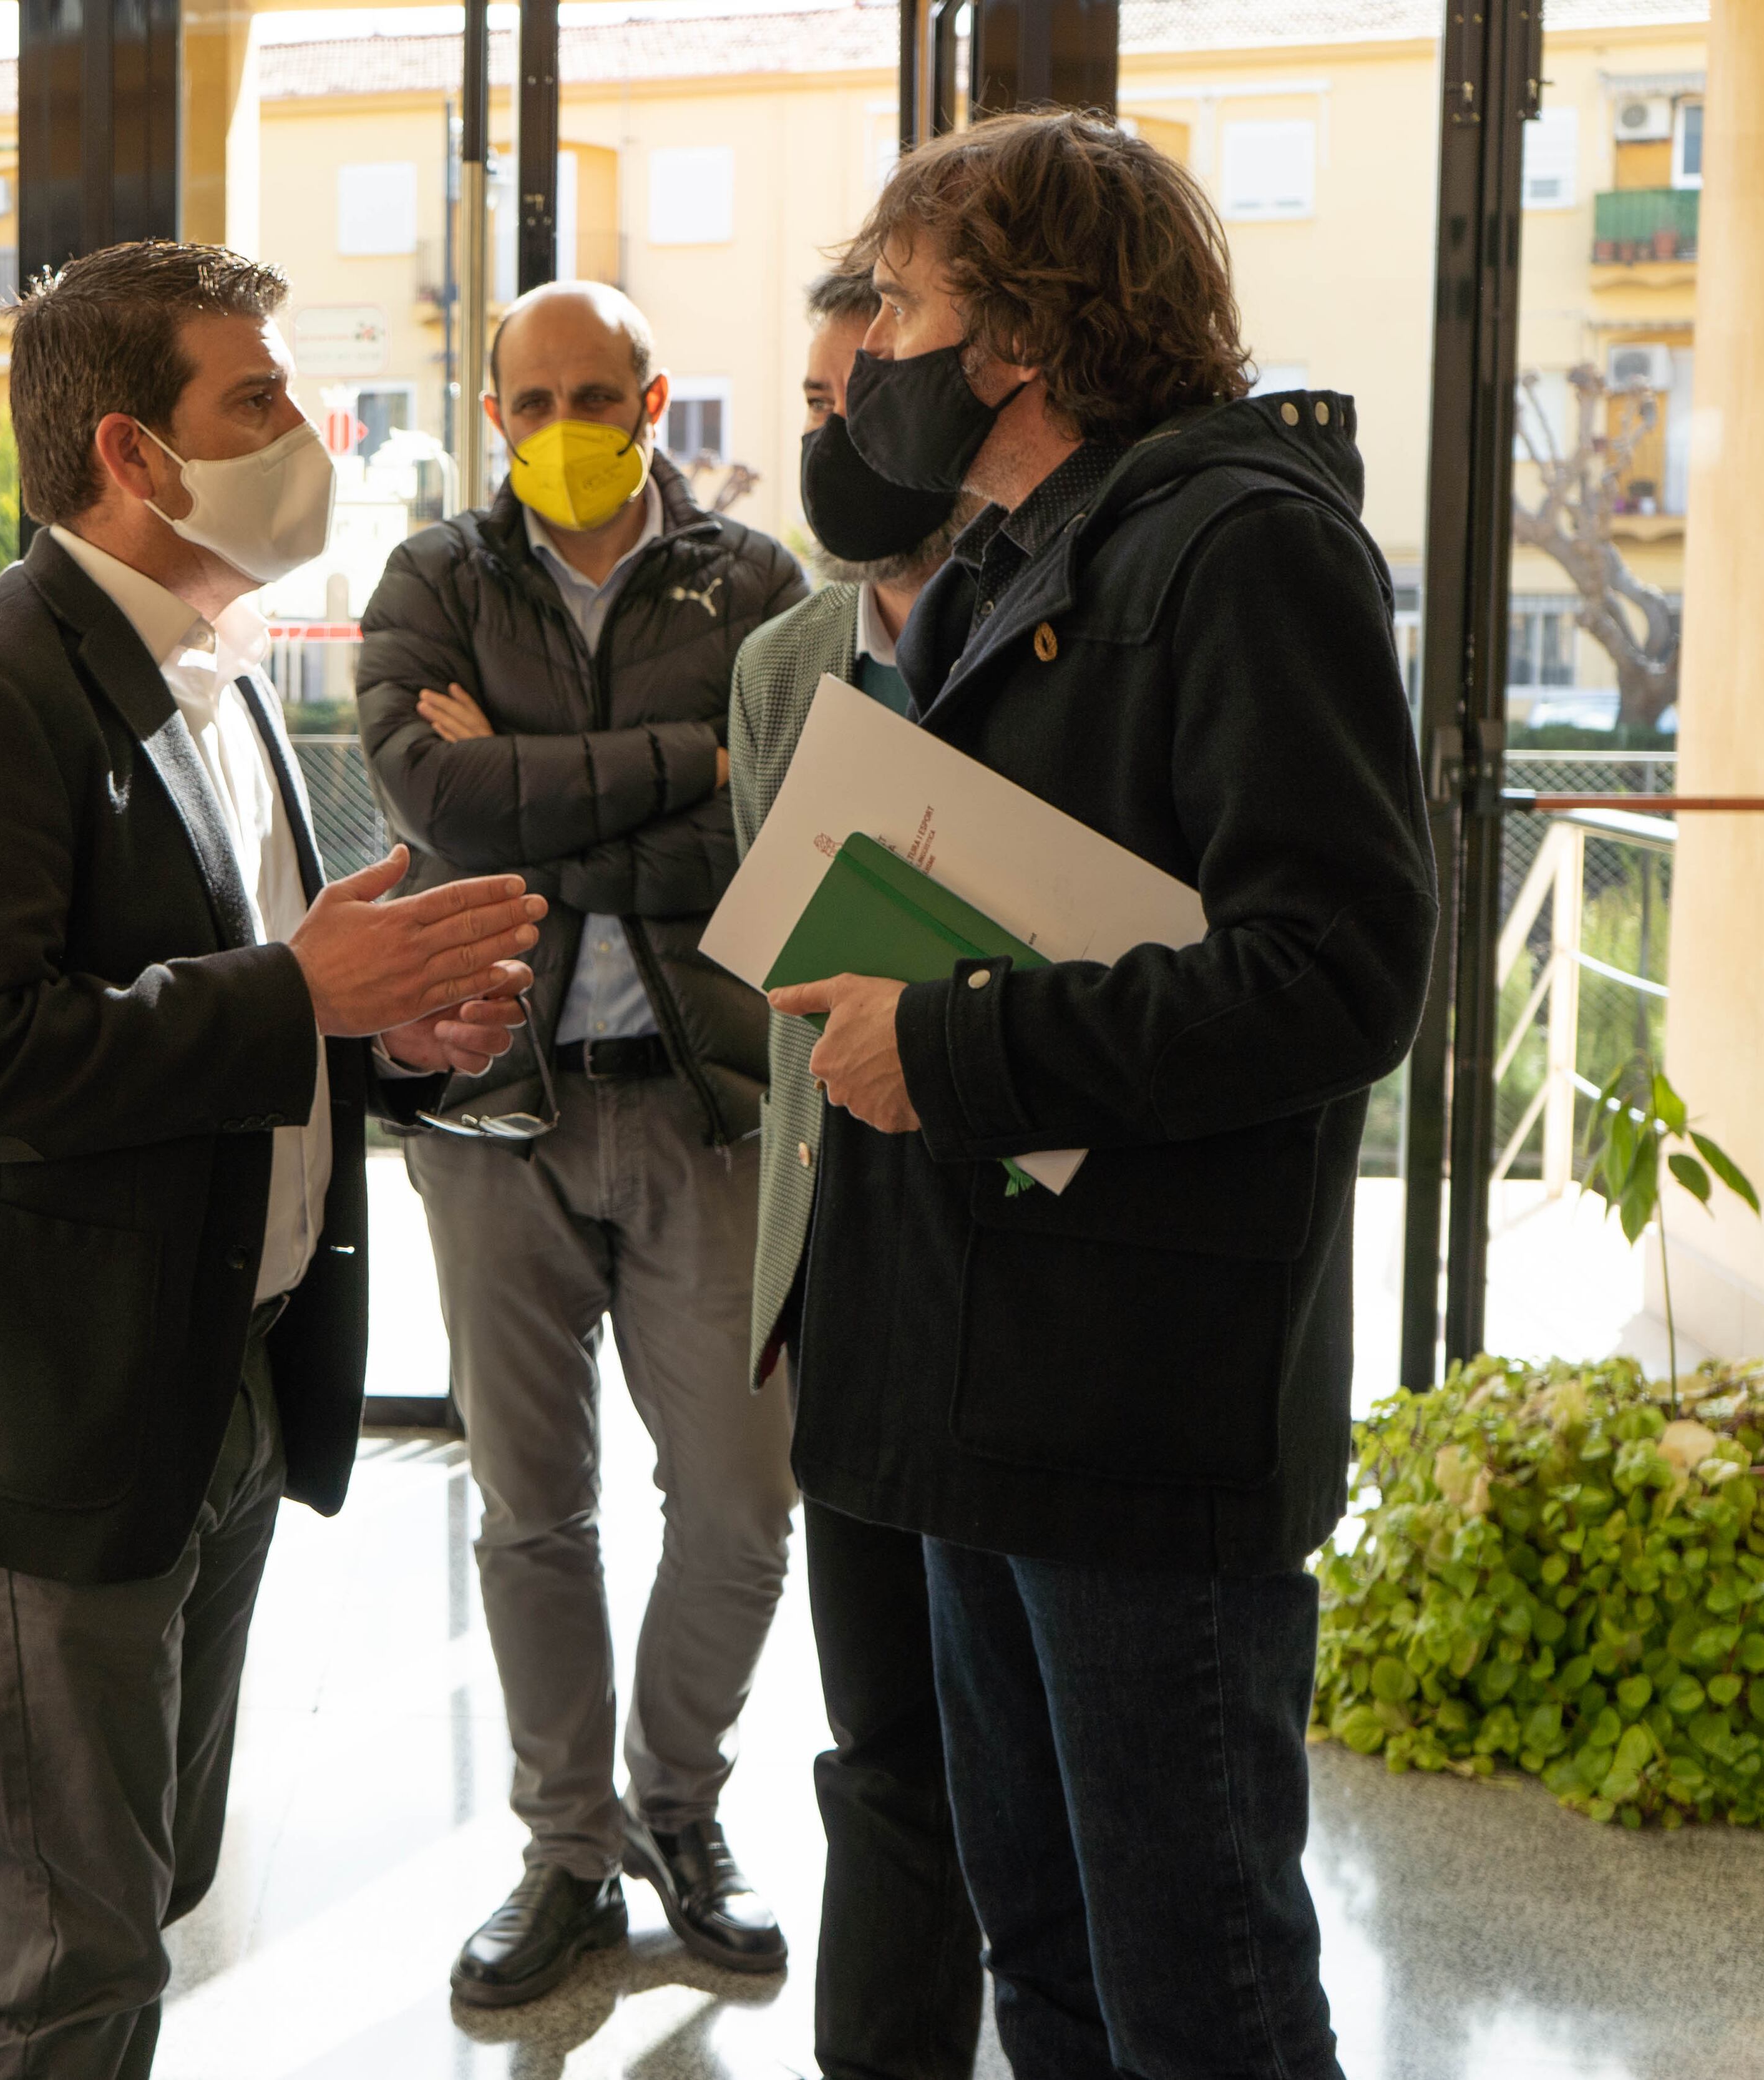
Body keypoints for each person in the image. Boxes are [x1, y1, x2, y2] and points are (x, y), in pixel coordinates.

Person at [0, 239, 545, 2080]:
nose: (312, 432)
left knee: (147, 1887)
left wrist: (385, 1042)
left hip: (221, 1378)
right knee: (67, 1957)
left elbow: (242, 1015)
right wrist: (302, 993)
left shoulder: (220, 676)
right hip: (43, 1417)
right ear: (134, 454)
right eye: (261, 399)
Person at [771, 113, 1435, 2078]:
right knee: (1048, 1966)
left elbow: (1338, 974)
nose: (869, 348)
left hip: (1139, 1405)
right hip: (990, 1385)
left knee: (1199, 1993)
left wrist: (948, 1044)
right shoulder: (1012, 558)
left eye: (901, 302)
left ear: (1022, 337)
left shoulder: (1248, 548)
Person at [357, 279, 811, 2007]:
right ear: (493, 416)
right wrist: (686, 764)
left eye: (594, 395)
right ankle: (567, 1852)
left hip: (712, 1108)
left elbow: (778, 822)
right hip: (499, 1110)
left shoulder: (756, 585)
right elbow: (434, 803)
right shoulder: (433, 580)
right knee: (531, 1509)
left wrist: (538, 786)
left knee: (743, 1507)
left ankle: (677, 1810)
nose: (563, 426)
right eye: (531, 400)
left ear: (651, 400)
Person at [729, 266, 983, 2079]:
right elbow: (783, 958)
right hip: (844, 1250)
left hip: (1014, 1236)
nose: (838, 436)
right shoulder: (781, 668)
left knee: (1030, 1755)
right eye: (816, 406)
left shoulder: (1047, 629)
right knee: (882, 1739)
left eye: (863, 399)